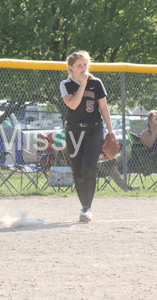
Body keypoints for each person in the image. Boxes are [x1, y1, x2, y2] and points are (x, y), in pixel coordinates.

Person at [59, 50, 114, 222]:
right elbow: (73, 105)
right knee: (77, 171)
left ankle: (87, 208)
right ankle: (84, 206)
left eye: (85, 64)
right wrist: (82, 85)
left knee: (89, 168)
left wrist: (111, 132)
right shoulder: (65, 84)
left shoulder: (96, 83)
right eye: (79, 65)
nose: (83, 68)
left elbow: (103, 108)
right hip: (74, 131)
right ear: (71, 68)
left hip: (94, 130)